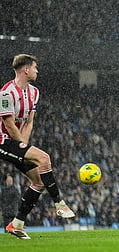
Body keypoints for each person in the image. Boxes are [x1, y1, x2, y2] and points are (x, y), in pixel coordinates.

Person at [0, 53, 75, 239]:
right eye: (34, 67)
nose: (37, 71)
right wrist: (22, 146)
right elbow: (9, 124)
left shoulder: (34, 92)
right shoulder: (6, 93)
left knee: (39, 181)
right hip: (2, 140)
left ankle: (16, 224)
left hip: (16, 142)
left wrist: (23, 145)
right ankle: (59, 203)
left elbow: (29, 122)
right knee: (44, 159)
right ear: (26, 69)